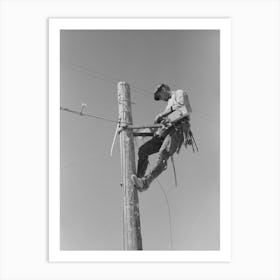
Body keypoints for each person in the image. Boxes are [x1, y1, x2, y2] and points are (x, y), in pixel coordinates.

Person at [131, 83, 192, 192]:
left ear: (164, 89)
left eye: (160, 96)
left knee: (163, 154)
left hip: (177, 129)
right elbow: (158, 128)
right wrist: (136, 133)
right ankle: (138, 179)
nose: (160, 99)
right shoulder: (169, 103)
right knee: (143, 150)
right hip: (165, 132)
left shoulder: (179, 93)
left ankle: (145, 183)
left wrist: (162, 115)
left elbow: (185, 109)